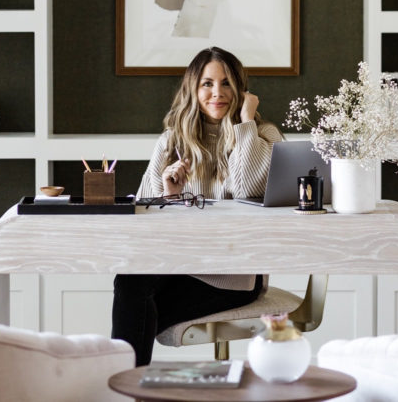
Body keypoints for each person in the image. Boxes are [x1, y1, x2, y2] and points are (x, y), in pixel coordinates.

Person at [111, 46, 283, 365]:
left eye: (227, 83)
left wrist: (245, 123)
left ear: (242, 89)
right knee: (131, 283)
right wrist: (169, 194)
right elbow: (142, 216)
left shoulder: (263, 135)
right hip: (181, 266)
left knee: (136, 307)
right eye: (207, 83)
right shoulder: (171, 141)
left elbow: (247, 187)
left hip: (235, 276)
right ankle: (127, 384)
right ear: (194, 88)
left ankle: (123, 382)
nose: (217, 93)